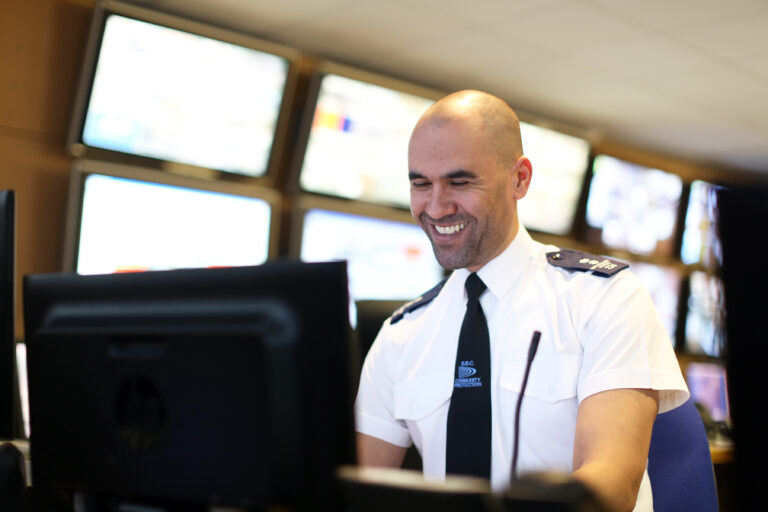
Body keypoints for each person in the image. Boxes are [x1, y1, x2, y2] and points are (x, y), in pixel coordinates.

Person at [354, 90, 689, 512]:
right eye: (421, 183)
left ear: (520, 179)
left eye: (460, 181)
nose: (436, 206)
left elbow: (610, 490)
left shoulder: (603, 297)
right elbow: (352, 490)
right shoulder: (399, 336)